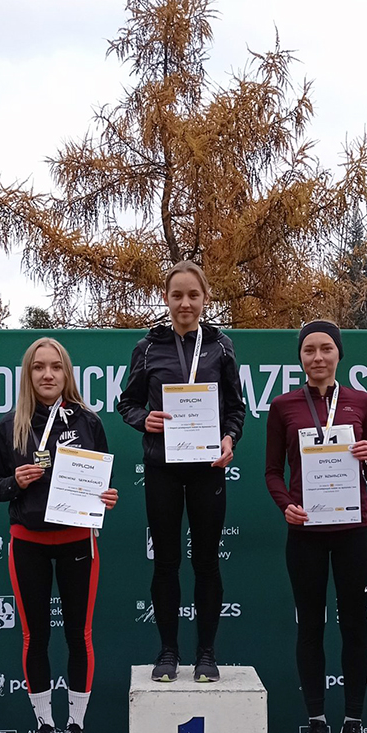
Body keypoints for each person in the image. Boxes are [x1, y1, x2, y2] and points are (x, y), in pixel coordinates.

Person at [0, 337, 118, 733]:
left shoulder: (88, 421)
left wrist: (106, 497)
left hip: (78, 542)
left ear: (66, 372)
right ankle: (44, 726)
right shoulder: (10, 426)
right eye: (38, 367)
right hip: (29, 545)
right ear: (28, 374)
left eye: (55, 367)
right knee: (34, 637)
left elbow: (100, 481)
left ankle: (76, 727)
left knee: (79, 635)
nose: (47, 374)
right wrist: (14, 483)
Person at [118, 261, 245, 683]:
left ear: (205, 299)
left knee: (207, 563)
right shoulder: (148, 347)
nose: (185, 303)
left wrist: (230, 438)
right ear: (166, 299)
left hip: (208, 468)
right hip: (163, 469)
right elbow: (127, 403)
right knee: (166, 563)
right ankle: (168, 651)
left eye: (193, 295)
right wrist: (145, 419)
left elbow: (235, 407)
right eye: (177, 295)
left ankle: (207, 653)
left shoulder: (222, 346)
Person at [265, 321, 367, 733]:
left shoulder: (362, 402)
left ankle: (353, 724)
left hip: (353, 531)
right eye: (309, 350)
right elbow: (272, 471)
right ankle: (316, 723)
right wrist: (285, 505)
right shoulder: (283, 406)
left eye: (326, 349)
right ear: (300, 357)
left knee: (354, 625)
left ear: (339, 354)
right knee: (310, 627)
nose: (317, 357)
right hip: (305, 534)